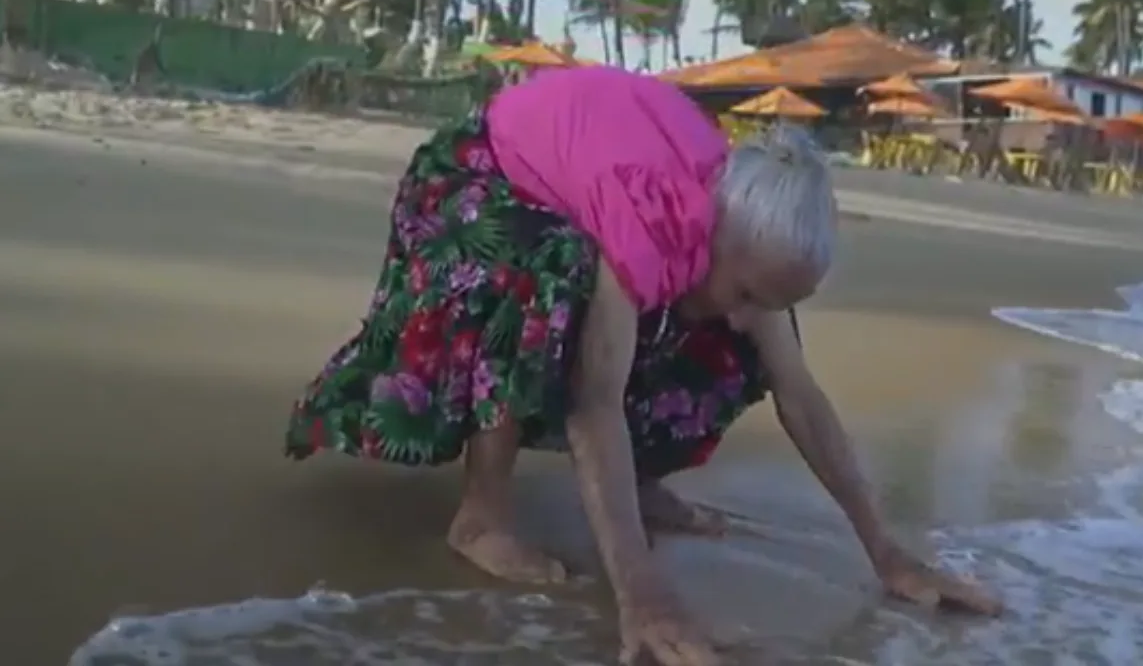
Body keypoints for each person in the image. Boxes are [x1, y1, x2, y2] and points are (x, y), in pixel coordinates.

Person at [286, 66, 1002, 666]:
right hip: (483, 177)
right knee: (557, 275)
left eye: (774, 300)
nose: (755, 312)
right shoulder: (649, 216)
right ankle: (482, 515)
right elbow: (594, 400)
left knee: (732, 343)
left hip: (617, 202)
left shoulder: (747, 237)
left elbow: (801, 397)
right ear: (720, 234)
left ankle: (639, 481)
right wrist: (642, 592)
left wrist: (888, 552)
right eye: (750, 291)